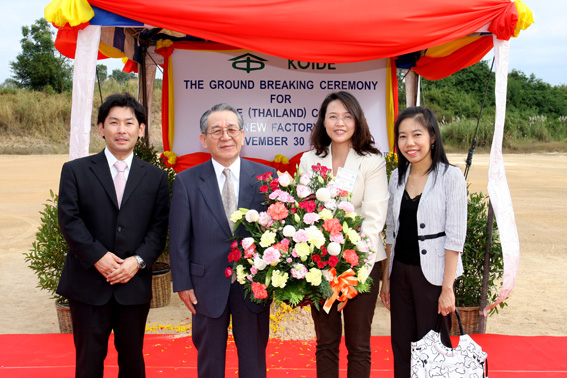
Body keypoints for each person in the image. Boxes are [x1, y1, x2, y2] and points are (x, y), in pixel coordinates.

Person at [56, 93, 170, 378]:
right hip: (87, 284)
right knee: (88, 361)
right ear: (100, 128)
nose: (122, 130)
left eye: (129, 123)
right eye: (114, 123)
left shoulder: (155, 177)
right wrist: (98, 257)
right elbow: (69, 220)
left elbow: (159, 227)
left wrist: (138, 261)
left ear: (141, 129)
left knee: (132, 361)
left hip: (133, 284)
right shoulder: (75, 171)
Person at [169, 103, 277, 378]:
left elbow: (277, 235)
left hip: (253, 287)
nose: (225, 137)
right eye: (216, 131)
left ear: (243, 135)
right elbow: (179, 239)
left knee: (253, 362)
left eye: (231, 129)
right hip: (205, 287)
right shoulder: (186, 181)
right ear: (204, 140)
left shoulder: (266, 177)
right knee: (210, 362)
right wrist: (183, 283)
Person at [299, 91, 389, 378]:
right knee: (325, 341)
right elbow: (302, 212)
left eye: (347, 116)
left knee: (359, 343)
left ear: (357, 121)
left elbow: (374, 218)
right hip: (320, 264)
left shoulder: (371, 161)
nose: (340, 123)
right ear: (323, 122)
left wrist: (356, 270)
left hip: (362, 263)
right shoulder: (309, 159)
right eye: (333, 116)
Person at [380, 106, 467, 378]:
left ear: (432, 137)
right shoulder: (397, 176)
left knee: (433, 347)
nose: (410, 143)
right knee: (401, 345)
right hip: (401, 274)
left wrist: (447, 288)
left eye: (417, 134)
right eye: (402, 136)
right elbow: (391, 232)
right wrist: (387, 279)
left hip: (433, 277)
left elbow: (455, 237)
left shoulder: (450, 177)